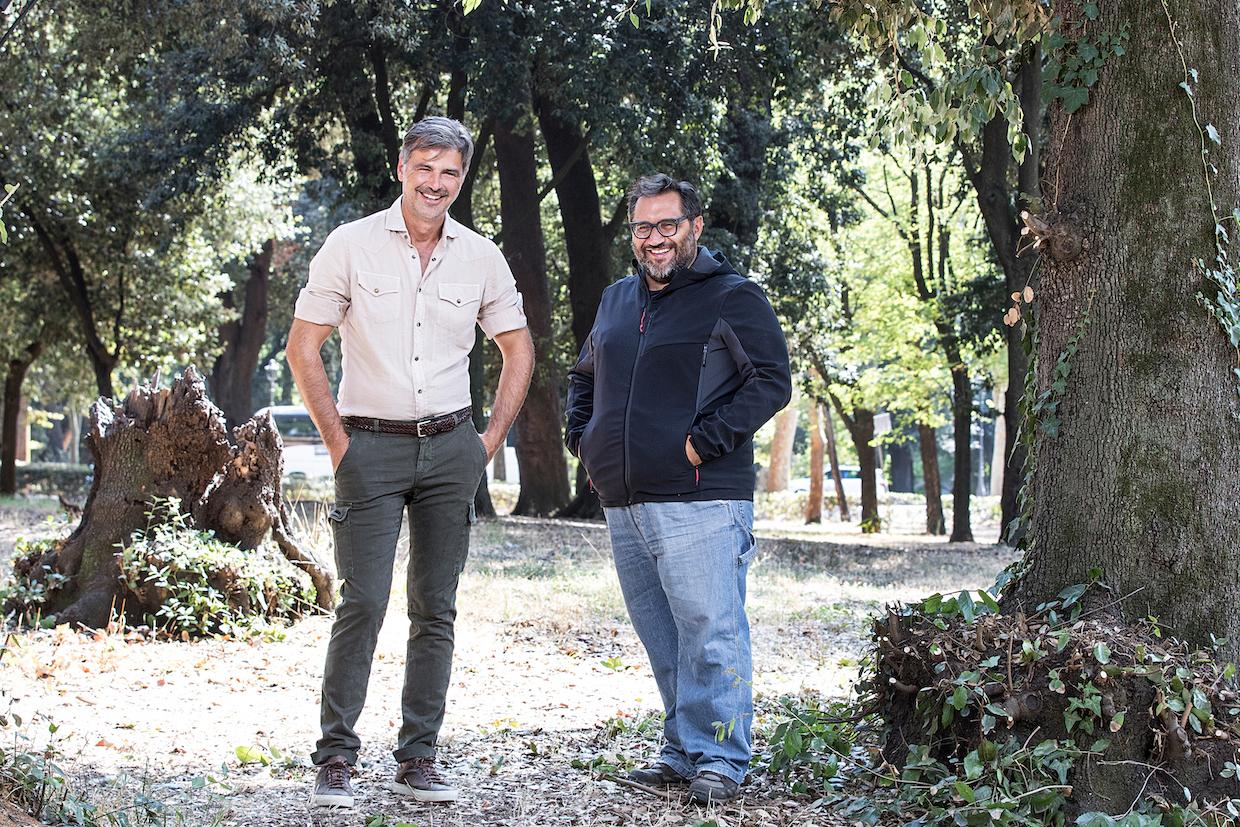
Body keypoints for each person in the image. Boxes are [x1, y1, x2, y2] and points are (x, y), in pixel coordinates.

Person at [288, 116, 534, 808]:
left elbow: (519, 349)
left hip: (451, 447)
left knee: (437, 607)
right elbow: (303, 346)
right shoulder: (351, 245)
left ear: (461, 179)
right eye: (425, 167)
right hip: (370, 444)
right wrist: (340, 443)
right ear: (402, 168)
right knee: (361, 600)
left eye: (450, 172)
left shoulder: (480, 256)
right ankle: (336, 754)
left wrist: (484, 443)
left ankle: (419, 755)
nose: (436, 183)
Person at [564, 174, 792, 804]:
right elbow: (583, 375)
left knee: (711, 630)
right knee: (662, 634)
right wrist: (582, 439)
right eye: (643, 227)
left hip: (702, 496)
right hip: (624, 499)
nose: (655, 238)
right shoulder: (616, 300)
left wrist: (700, 442)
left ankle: (721, 755)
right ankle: (683, 751)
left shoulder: (732, 296)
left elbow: (770, 380)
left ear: (694, 226)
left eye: (667, 225)